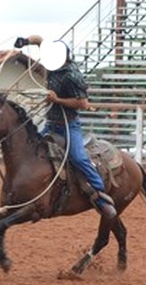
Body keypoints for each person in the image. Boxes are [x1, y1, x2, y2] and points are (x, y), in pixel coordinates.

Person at [14, 35, 117, 220]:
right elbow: (39, 40)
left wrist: (57, 100)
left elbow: (83, 103)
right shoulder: (53, 63)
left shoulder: (73, 75)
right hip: (51, 123)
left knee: (79, 157)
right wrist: (25, 41)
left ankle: (101, 196)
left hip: (69, 126)